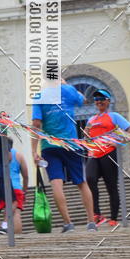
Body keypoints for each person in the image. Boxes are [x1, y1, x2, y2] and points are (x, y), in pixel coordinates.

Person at [31, 78, 96, 232]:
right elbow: (84, 100)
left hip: (50, 146)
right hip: (71, 144)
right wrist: (66, 84)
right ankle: (91, 222)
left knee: (56, 182)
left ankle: (68, 223)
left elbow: (36, 124)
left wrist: (33, 150)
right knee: (82, 182)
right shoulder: (69, 90)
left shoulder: (39, 96)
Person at [85, 88, 130, 227]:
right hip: (94, 154)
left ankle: (113, 218)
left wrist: (119, 141)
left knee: (111, 185)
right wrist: (87, 140)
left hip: (109, 154)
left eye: (101, 99)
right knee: (90, 178)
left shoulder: (114, 116)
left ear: (108, 101)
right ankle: (97, 214)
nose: (98, 101)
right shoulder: (91, 119)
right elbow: (87, 137)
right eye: (96, 99)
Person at [0, 145, 29, 234]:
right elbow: (26, 176)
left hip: (3, 186)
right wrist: (24, 191)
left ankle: (4, 228)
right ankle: (18, 236)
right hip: (16, 187)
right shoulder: (19, 155)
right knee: (16, 213)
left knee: (7, 211)